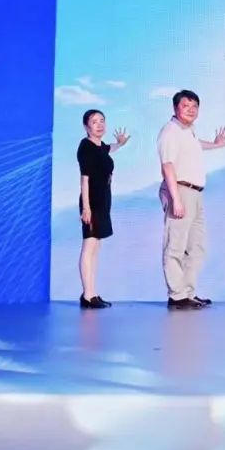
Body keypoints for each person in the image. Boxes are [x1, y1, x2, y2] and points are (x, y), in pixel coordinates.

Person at [156, 90, 225, 310]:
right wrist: (176, 199)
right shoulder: (170, 131)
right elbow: (167, 166)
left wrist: (215, 144)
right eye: (186, 105)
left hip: (195, 192)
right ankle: (177, 296)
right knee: (175, 245)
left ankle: (187, 292)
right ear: (175, 108)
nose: (191, 110)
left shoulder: (188, 131)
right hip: (179, 189)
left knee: (196, 246)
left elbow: (195, 145)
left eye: (195, 106)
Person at [77, 110, 129, 309]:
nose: (99, 125)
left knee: (96, 247)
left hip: (103, 201)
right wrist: (86, 208)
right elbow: (84, 179)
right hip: (92, 202)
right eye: (94, 122)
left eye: (102, 121)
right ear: (86, 126)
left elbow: (109, 149)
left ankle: (92, 292)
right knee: (89, 245)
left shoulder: (100, 147)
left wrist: (120, 143)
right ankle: (87, 295)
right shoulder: (85, 146)